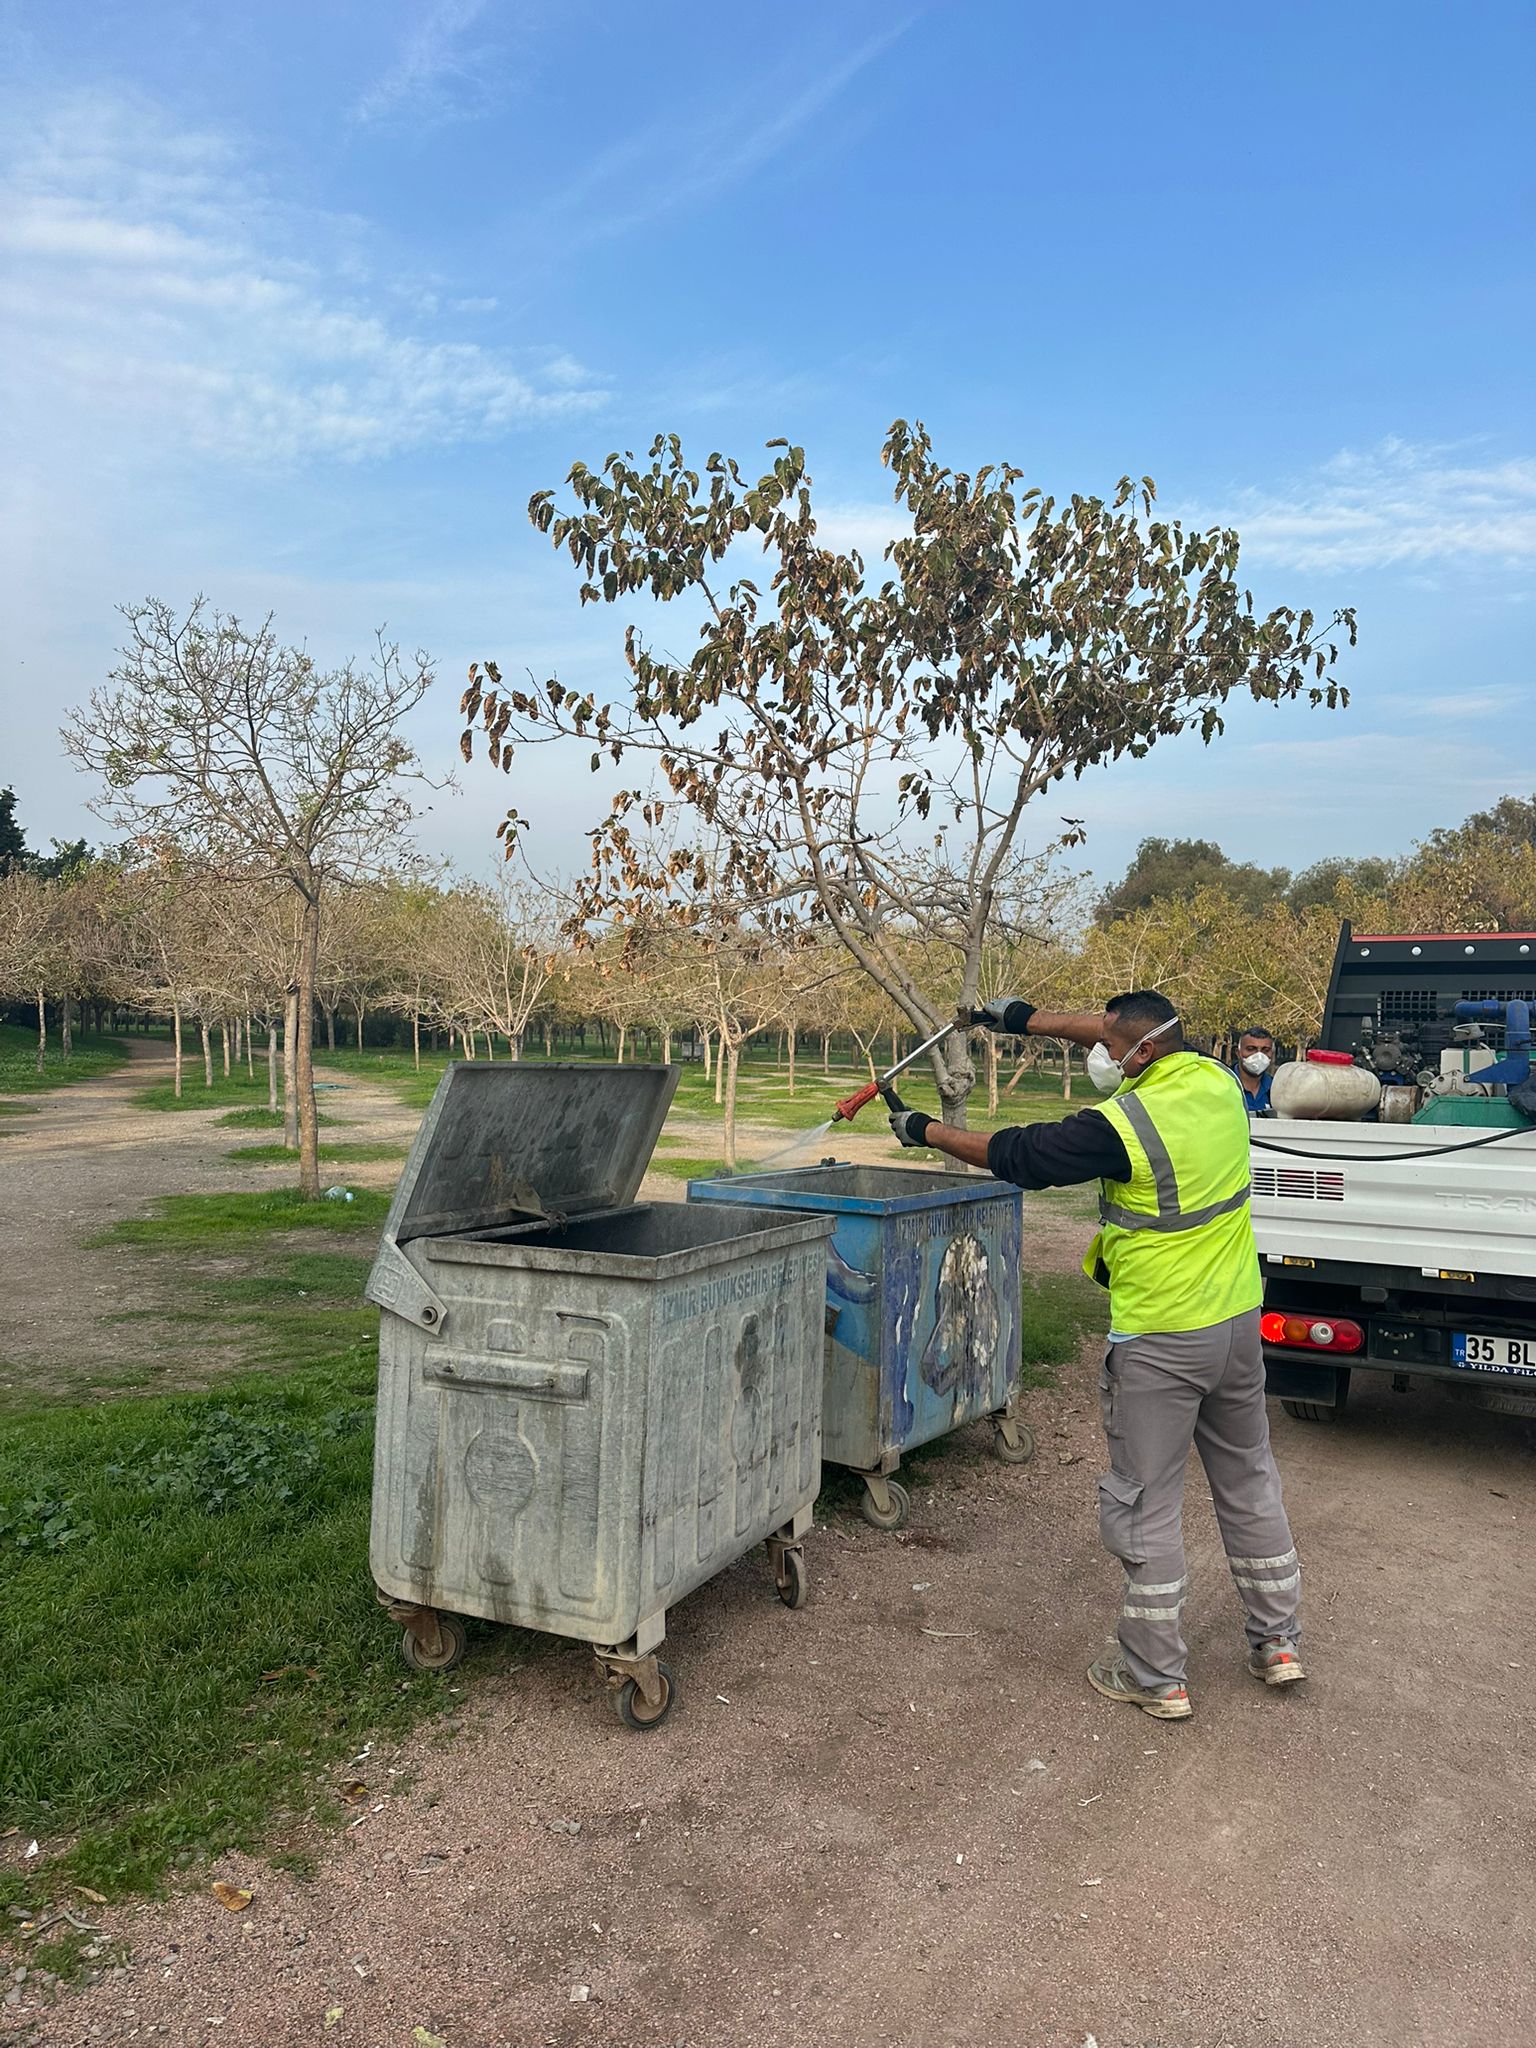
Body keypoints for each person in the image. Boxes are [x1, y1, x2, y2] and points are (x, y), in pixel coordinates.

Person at [886, 990, 1302, 1721]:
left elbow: (1018, 1154)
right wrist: (1016, 1019)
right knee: (1249, 1482)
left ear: (1140, 1053)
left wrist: (923, 1129)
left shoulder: (1123, 1126)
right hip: (1237, 1326)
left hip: (1162, 1338)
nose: (1100, 1053)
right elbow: (1115, 1028)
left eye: (1111, 1047)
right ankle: (1278, 1643)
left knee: (1147, 1503)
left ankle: (1155, 1674)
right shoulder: (1215, 1082)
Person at [1233, 1025, 1276, 1116]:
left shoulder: (1276, 1089)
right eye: (1251, 1049)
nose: (1259, 1056)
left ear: (1272, 1053)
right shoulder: (1223, 1085)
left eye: (1265, 1050)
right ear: (1238, 1053)